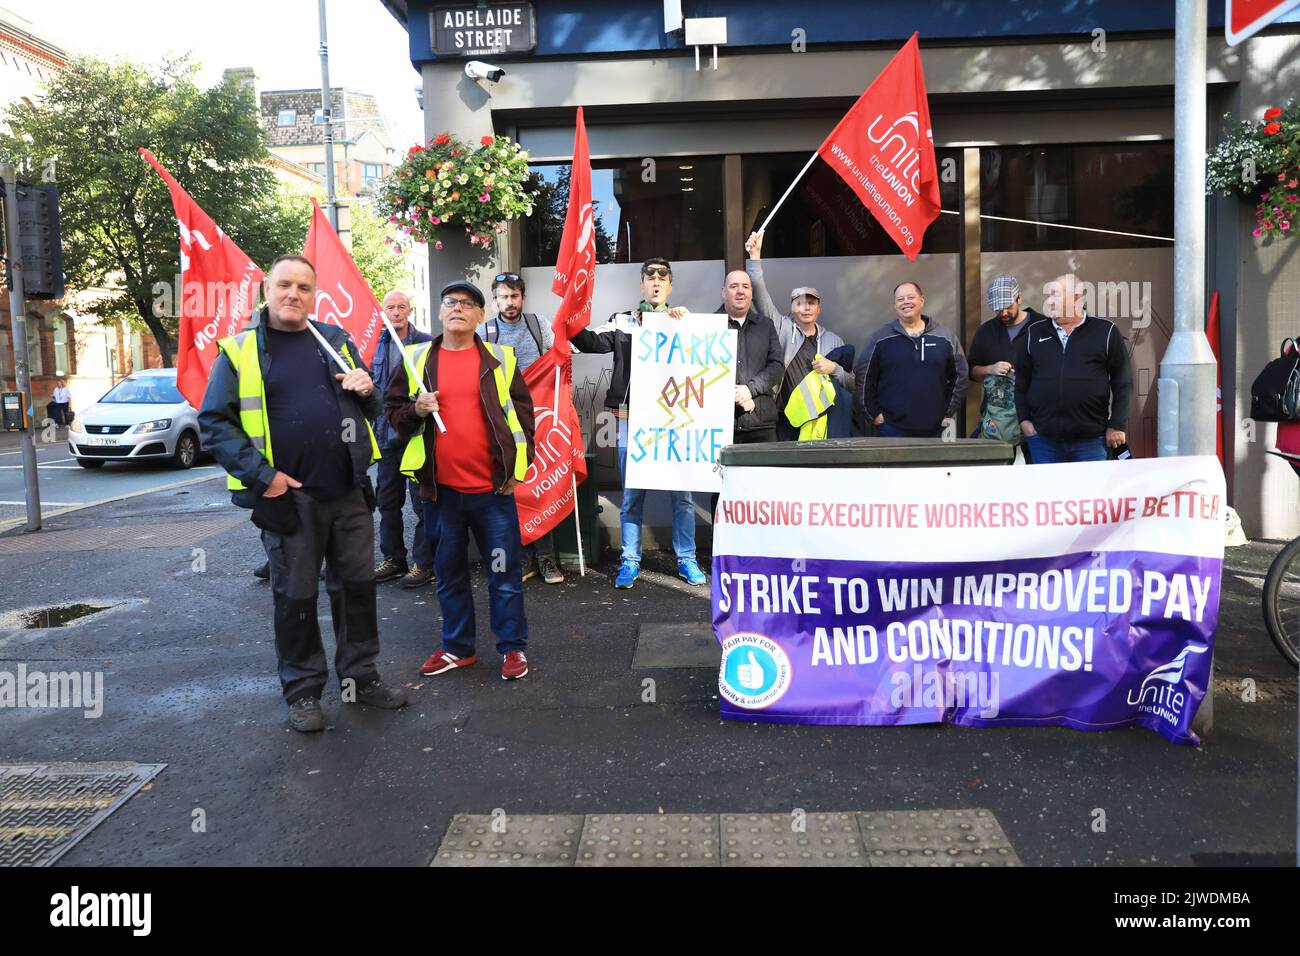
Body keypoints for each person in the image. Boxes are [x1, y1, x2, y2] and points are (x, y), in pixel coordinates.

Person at [199, 254, 408, 733]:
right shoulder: (240, 350)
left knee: (356, 591)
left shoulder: (333, 340)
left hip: (349, 492)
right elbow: (214, 423)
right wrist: (264, 477)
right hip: (288, 500)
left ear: (315, 294)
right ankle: (303, 693)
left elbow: (372, 403)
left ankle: (361, 679)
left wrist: (366, 386)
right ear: (267, 290)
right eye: (285, 285)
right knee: (295, 597)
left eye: (305, 287)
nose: (294, 294)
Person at [386, 280, 537, 682]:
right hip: (440, 493)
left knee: (504, 575)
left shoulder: (500, 359)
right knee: (449, 573)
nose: (458, 308)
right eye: (450, 302)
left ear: (479, 316)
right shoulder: (416, 358)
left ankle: (512, 649)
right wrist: (416, 409)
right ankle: (458, 648)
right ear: (439, 312)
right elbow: (393, 416)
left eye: (467, 304)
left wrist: (515, 472)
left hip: (493, 491)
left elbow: (524, 419)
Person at [570, 258, 707, 589]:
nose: (656, 281)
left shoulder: (684, 321)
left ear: (670, 286)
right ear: (642, 285)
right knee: (632, 494)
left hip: (675, 421)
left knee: (682, 496)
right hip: (632, 420)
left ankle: (686, 559)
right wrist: (569, 315)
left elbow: (708, 360)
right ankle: (630, 560)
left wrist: (686, 325)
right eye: (650, 276)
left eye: (663, 277)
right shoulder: (623, 321)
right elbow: (587, 342)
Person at [479, 272, 564, 586]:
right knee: (514, 489)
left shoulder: (538, 325)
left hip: (539, 419)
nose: (509, 302)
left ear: (522, 298)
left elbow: (558, 359)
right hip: (503, 426)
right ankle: (525, 558)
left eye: (514, 296)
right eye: (503, 297)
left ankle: (547, 559)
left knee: (542, 487)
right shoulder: (484, 331)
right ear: (495, 300)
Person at [744, 230, 856, 440]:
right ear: (792, 308)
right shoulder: (781, 327)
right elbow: (759, 293)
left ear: (818, 309)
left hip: (821, 422)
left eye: (811, 302)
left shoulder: (834, 341)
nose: (806, 307)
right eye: (799, 303)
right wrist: (755, 257)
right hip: (785, 418)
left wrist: (835, 369)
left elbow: (852, 384)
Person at [1015, 273, 1133, 464]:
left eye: (1055, 295)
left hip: (1092, 441)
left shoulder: (1105, 331)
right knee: (1049, 494)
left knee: (1092, 493)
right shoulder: (1033, 332)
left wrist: (1117, 424)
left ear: (1076, 298)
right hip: (1044, 441)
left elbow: (1123, 381)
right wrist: (1025, 423)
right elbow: (1021, 383)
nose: (1050, 302)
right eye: (1049, 296)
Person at [371, 290, 436, 588]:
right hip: (385, 437)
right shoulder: (376, 345)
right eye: (390, 308)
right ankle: (394, 559)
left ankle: (424, 563)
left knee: (422, 503)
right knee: (387, 502)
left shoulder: (426, 343)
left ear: (410, 310)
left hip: (414, 436)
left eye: (401, 307)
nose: (395, 312)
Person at [855, 281, 968, 438]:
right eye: (900, 299)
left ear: (922, 300)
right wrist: (873, 415)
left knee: (936, 464)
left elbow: (960, 377)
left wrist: (948, 412)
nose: (906, 302)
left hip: (938, 427)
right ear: (895, 305)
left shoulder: (945, 337)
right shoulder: (880, 338)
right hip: (892, 428)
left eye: (910, 297)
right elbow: (864, 378)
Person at [967, 275, 1046, 462]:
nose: (1003, 313)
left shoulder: (1043, 326)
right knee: (991, 477)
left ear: (1019, 298)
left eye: (1008, 307)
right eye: (998, 309)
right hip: (998, 418)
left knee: (1040, 477)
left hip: (1037, 417)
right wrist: (990, 369)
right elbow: (971, 371)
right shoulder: (986, 331)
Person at [716, 265, 783, 445]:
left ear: (751, 293)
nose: (740, 291)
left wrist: (749, 390)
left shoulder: (766, 326)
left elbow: (777, 366)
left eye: (745, 287)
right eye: (733, 286)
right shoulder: (709, 326)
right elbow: (698, 370)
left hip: (761, 424)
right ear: (723, 292)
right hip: (719, 424)